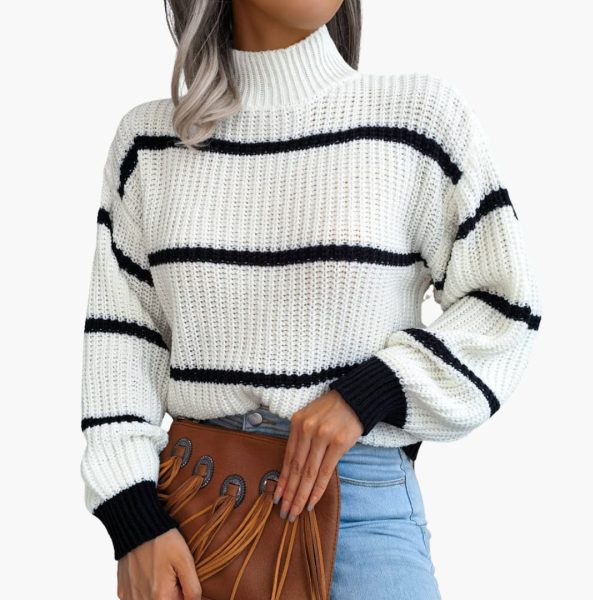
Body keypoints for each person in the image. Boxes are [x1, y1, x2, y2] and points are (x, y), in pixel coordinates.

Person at [79, 1, 542, 598]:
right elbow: (122, 345)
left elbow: (505, 306)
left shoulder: (418, 119)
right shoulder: (149, 146)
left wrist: (372, 392)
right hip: (196, 519)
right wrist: (133, 521)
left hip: (363, 515)